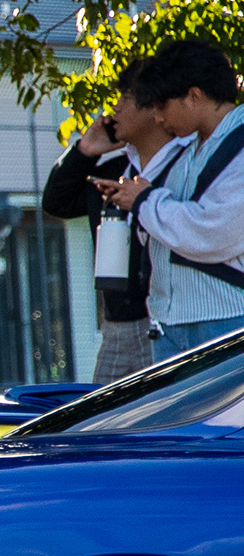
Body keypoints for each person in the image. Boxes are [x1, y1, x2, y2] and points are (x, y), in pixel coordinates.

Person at [99, 40, 244, 363]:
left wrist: (144, 200)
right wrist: (138, 201)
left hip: (228, 319)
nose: (158, 117)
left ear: (193, 96)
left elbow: (213, 231)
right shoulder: (186, 152)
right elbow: (158, 231)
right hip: (168, 322)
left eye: (162, 105)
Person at [46, 88, 174, 385]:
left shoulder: (182, 167)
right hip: (116, 326)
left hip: (164, 320)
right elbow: (56, 203)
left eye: (124, 99)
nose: (114, 109)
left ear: (155, 109)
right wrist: (85, 150)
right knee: (103, 413)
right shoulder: (114, 171)